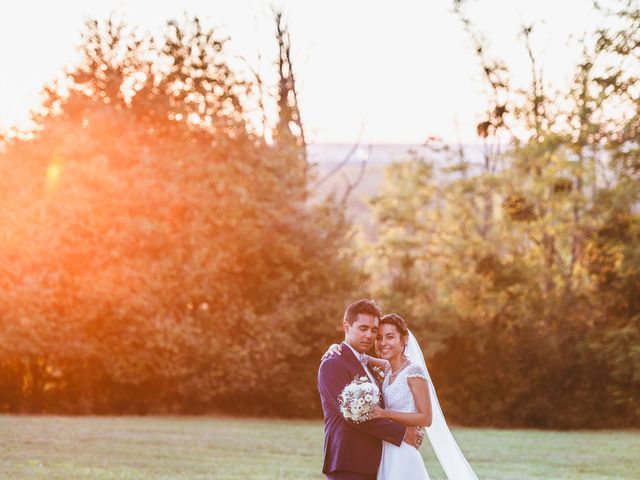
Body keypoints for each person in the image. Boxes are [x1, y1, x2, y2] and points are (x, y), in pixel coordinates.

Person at [323, 312, 479, 480]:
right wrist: (335, 346)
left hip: (402, 450)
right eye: (380, 338)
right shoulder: (388, 369)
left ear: (404, 339)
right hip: (384, 450)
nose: (383, 343)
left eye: (390, 337)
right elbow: (359, 357)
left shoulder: (414, 371)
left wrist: (385, 413)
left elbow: (426, 418)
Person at [317, 299, 424, 480]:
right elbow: (352, 415)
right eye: (363, 328)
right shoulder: (333, 363)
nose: (369, 335)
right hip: (348, 462)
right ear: (347, 327)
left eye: (374, 330)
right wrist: (402, 433)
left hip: (374, 461)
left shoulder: (369, 364)